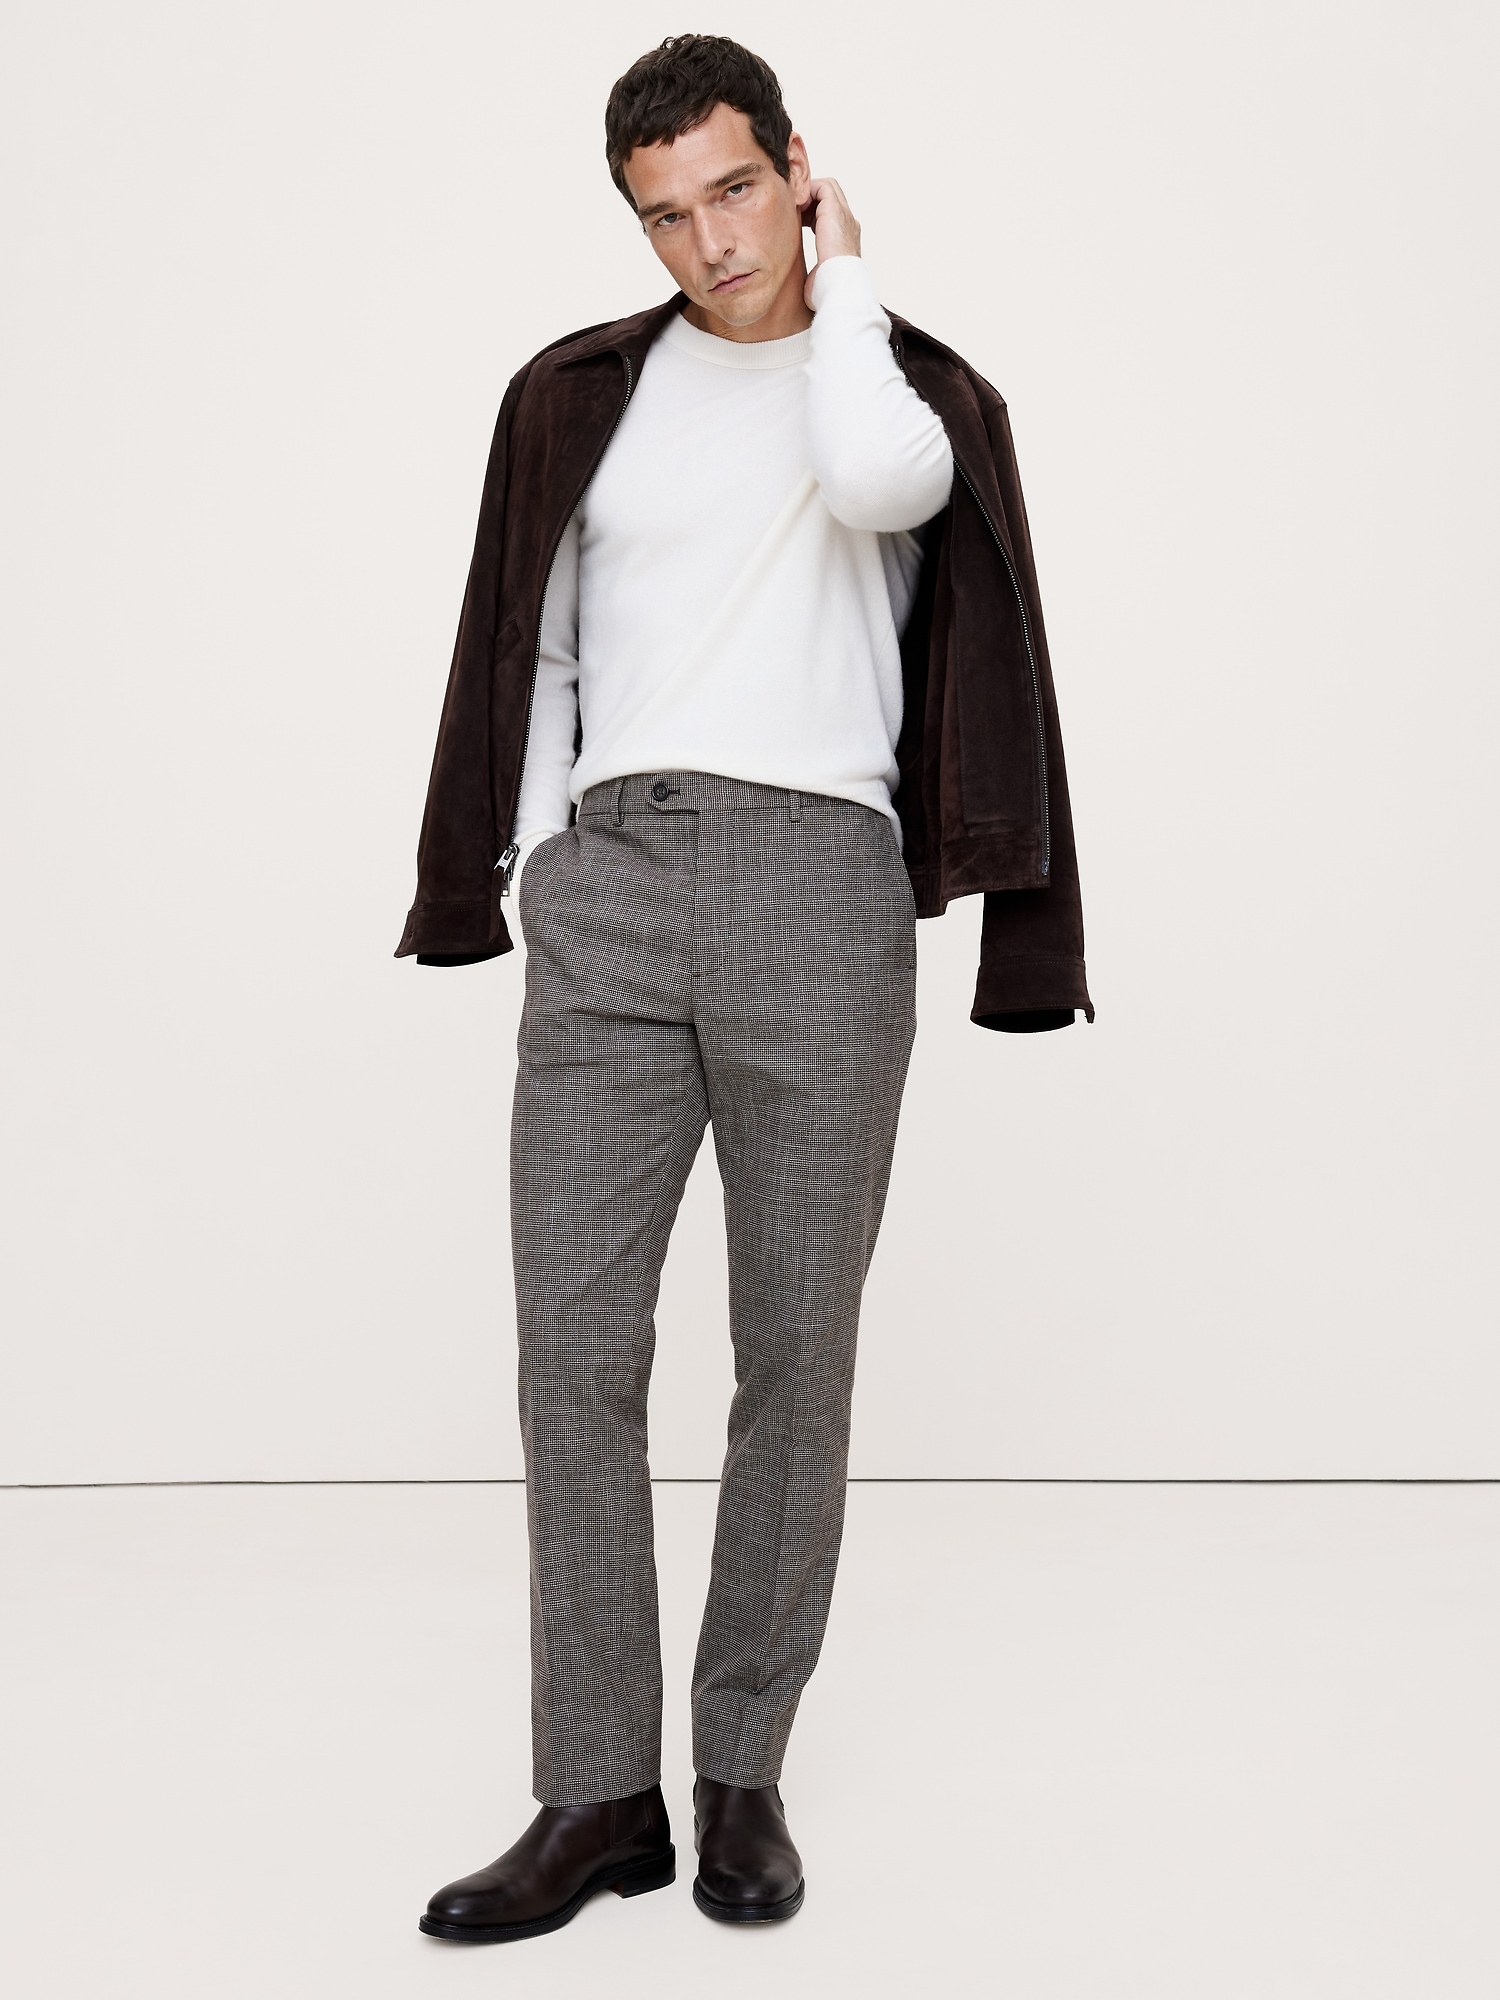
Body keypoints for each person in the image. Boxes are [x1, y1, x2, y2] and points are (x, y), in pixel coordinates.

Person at [398, 33, 1092, 1944]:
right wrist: (543, 857)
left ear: (795, 165)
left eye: (733, 190)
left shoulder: (907, 390)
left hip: (820, 883)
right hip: (613, 880)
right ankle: (596, 1794)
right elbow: (533, 645)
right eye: (664, 214)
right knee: (572, 1349)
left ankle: (740, 1772)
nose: (709, 242)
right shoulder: (577, 396)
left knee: (793, 1357)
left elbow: (875, 483)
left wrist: (844, 284)